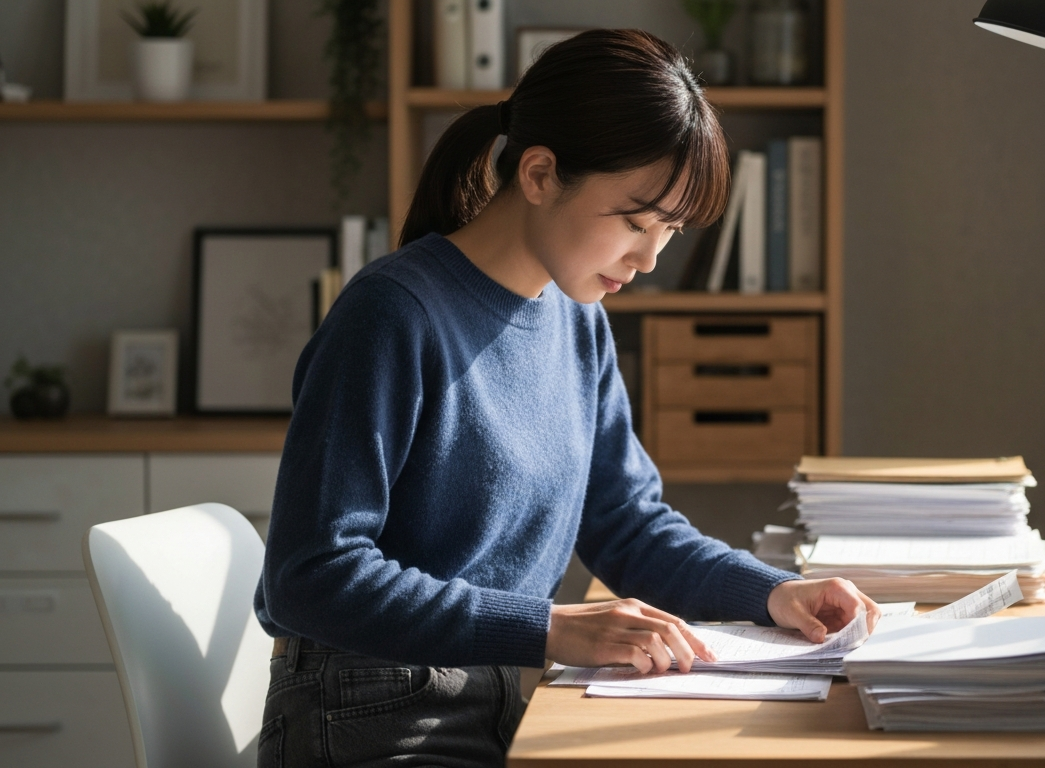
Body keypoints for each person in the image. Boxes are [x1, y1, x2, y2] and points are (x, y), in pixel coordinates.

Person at [254, 28, 878, 768]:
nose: (649, 257)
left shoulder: (576, 320)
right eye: (637, 221)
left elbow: (626, 524)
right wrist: (551, 626)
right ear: (542, 174)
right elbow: (310, 576)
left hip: (504, 698)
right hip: (369, 715)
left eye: (670, 230)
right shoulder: (392, 314)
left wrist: (774, 593)